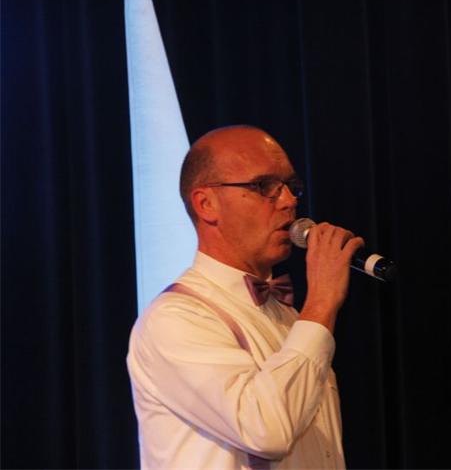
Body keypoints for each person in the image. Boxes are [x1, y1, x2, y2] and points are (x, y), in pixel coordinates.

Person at [127, 125, 364, 469]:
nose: (289, 201)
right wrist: (322, 302)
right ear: (206, 204)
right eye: (264, 186)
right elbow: (266, 429)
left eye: (291, 187)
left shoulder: (290, 317)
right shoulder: (173, 319)